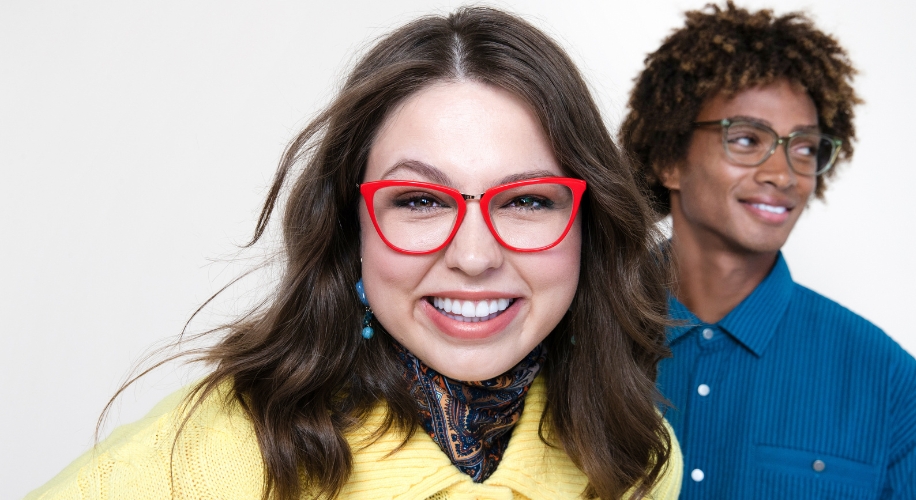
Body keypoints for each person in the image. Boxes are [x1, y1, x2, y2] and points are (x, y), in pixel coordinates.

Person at [29, 7, 683, 500]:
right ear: (353, 229)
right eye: (421, 201)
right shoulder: (221, 454)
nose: (476, 256)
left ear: (588, 226)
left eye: (527, 201)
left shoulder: (638, 454)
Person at [620, 2, 916, 498]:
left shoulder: (888, 383)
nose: (783, 174)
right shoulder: (575, 334)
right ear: (669, 159)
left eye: (804, 148)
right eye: (745, 138)